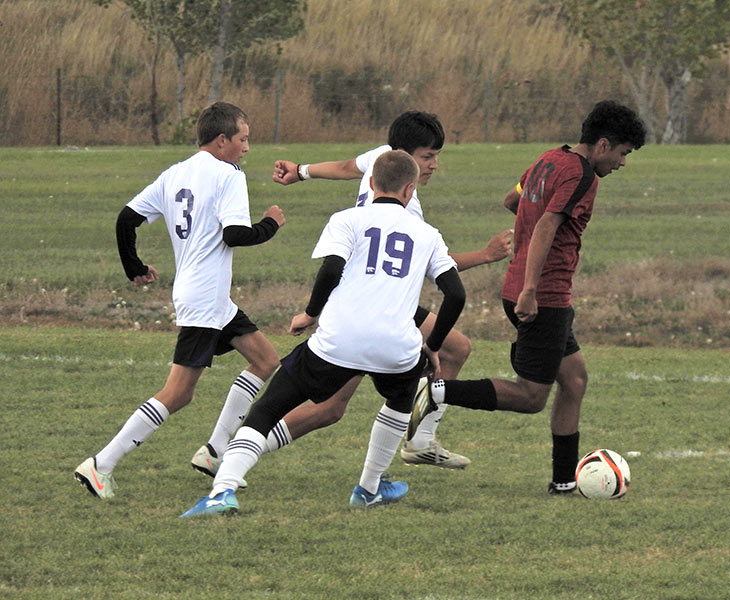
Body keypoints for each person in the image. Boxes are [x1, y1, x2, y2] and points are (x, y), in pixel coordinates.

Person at [181, 150, 466, 516]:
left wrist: (310, 314)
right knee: (399, 398)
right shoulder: (428, 234)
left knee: (268, 408)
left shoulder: (346, 220)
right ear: (410, 191)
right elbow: (456, 293)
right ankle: (369, 488)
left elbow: (332, 269)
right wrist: (434, 344)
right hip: (397, 347)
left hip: (337, 341)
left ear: (371, 183)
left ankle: (222, 492)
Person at [246, 111, 510, 470]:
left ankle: (421, 440)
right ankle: (239, 451)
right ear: (403, 157)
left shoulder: (380, 160)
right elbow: (437, 265)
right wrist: (486, 254)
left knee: (456, 347)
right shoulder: (408, 209)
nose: (434, 165)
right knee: (330, 408)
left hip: (366, 292)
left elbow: (345, 166)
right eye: (427, 156)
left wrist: (301, 171)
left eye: (436, 155)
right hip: (369, 300)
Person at [408, 100, 647, 495]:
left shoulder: (549, 159)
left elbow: (512, 201)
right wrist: (532, 289)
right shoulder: (584, 176)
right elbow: (547, 227)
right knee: (532, 396)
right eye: (623, 153)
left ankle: (564, 481)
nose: (622, 163)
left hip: (531, 289)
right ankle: (436, 391)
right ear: (603, 145)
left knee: (575, 379)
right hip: (542, 296)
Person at [74, 102, 286, 499]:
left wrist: (133, 266)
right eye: (243, 139)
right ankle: (101, 464)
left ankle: (215, 451)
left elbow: (126, 219)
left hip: (207, 295)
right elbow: (236, 235)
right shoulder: (228, 174)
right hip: (205, 298)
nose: (246, 147)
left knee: (266, 360)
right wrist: (271, 222)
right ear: (222, 140)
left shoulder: (174, 174)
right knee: (178, 393)